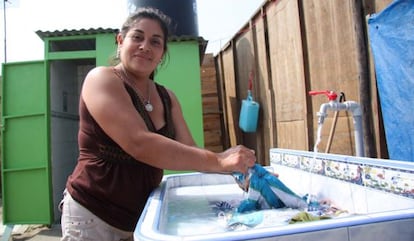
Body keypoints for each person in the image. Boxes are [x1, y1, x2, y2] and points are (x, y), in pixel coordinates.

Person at [60, 7, 256, 241]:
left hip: (140, 218)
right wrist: (220, 160)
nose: (145, 46)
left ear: (162, 53)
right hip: (92, 215)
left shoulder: (167, 97)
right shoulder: (102, 80)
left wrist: (238, 175)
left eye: (155, 42)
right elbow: (139, 143)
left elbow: (192, 152)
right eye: (137, 37)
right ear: (121, 40)